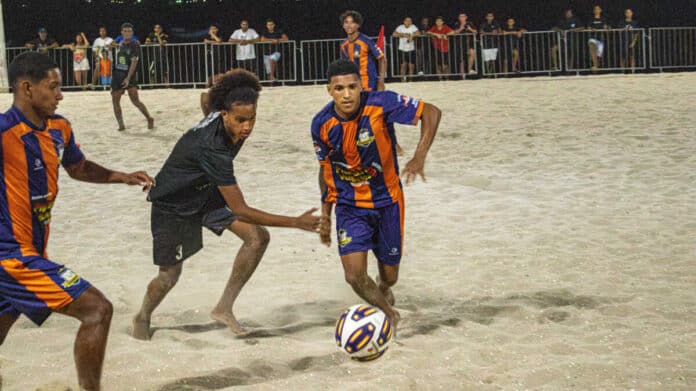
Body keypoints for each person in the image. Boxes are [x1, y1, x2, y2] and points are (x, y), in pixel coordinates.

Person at [1, 51, 154, 391]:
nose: (61, 95)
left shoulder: (60, 127)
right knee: (97, 310)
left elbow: (78, 167)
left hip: (30, 251)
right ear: (27, 88)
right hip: (12, 256)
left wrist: (121, 176)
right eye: (53, 87)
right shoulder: (3, 131)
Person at [132, 69, 321, 340]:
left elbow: (205, 98)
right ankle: (143, 316)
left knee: (257, 237)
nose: (247, 127)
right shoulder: (214, 148)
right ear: (224, 115)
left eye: (252, 119)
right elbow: (241, 209)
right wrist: (295, 222)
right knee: (168, 277)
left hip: (205, 193)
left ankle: (224, 307)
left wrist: (225, 84)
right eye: (240, 120)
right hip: (172, 204)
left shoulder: (219, 113)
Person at [312, 60, 441, 333]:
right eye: (339, 88)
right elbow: (326, 171)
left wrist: (419, 155)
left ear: (361, 86)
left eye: (352, 87)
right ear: (329, 91)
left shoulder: (381, 103)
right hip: (350, 206)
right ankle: (389, 315)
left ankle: (383, 291)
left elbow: (431, 111)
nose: (346, 94)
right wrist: (325, 214)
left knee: (390, 277)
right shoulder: (321, 124)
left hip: (388, 202)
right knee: (354, 275)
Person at [111, 23, 154, 131]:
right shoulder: (120, 43)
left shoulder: (135, 45)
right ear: (122, 32)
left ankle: (149, 118)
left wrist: (128, 78)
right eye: (125, 31)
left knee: (135, 100)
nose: (127, 33)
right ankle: (121, 125)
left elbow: (134, 63)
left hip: (130, 75)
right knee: (115, 100)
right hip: (118, 75)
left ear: (132, 33)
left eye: (129, 31)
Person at [339, 10, 386, 92]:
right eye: (346, 22)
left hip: (369, 82)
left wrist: (381, 80)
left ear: (358, 25)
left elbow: (382, 59)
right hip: (353, 83)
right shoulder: (343, 45)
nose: (349, 25)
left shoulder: (366, 41)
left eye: (352, 22)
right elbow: (345, 66)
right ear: (343, 25)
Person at [587, 5, 610, 71]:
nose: (597, 10)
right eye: (595, 9)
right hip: (593, 38)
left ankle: (596, 67)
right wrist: (591, 29)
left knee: (599, 55)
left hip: (601, 39)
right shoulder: (591, 19)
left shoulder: (603, 19)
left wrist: (607, 29)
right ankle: (595, 65)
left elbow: (605, 27)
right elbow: (588, 28)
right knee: (592, 48)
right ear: (593, 11)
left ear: (600, 10)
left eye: (598, 9)